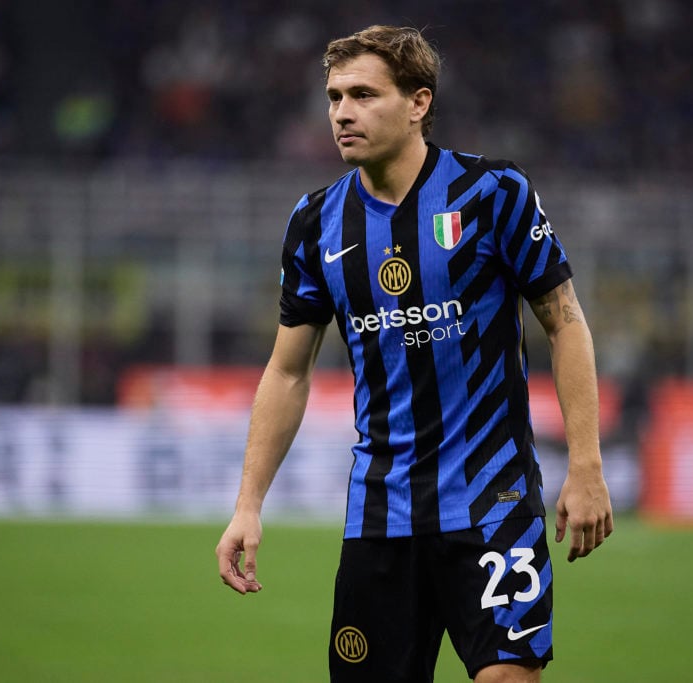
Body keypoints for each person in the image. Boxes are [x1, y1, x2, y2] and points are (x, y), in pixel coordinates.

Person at [216, 24, 613, 683]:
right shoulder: (315, 223)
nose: (343, 112)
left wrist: (586, 462)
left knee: (508, 675)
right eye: (335, 96)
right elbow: (287, 371)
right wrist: (248, 503)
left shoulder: (492, 195)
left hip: (494, 500)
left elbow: (565, 322)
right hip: (382, 511)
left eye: (365, 94)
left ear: (418, 102)